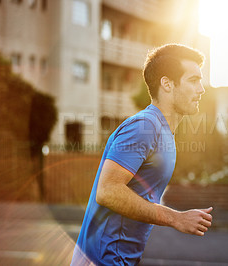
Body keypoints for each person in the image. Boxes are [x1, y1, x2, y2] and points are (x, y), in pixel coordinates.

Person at [71, 43, 213, 265]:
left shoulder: (162, 131)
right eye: (193, 80)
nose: (201, 89)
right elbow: (107, 191)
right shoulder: (144, 127)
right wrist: (176, 218)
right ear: (166, 83)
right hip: (104, 259)